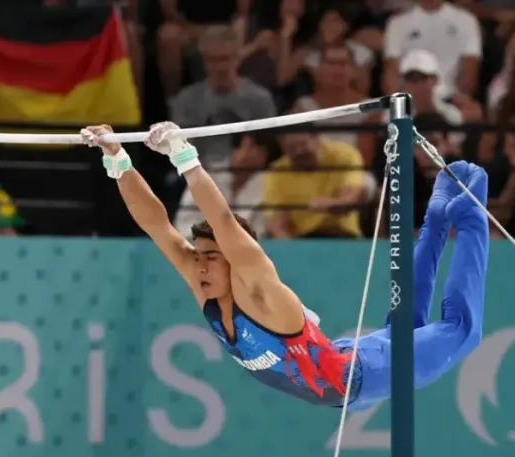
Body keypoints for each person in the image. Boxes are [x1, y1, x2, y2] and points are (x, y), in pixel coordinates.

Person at [81, 122, 488, 410]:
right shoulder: (203, 283)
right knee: (406, 329)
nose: (198, 267)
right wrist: (117, 159)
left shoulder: (260, 291)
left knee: (462, 331)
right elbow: (157, 226)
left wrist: (185, 158)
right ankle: (437, 214)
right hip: (342, 367)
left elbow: (224, 222)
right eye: (197, 257)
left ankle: (470, 209)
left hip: (366, 377)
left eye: (210, 258)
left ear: (236, 262)